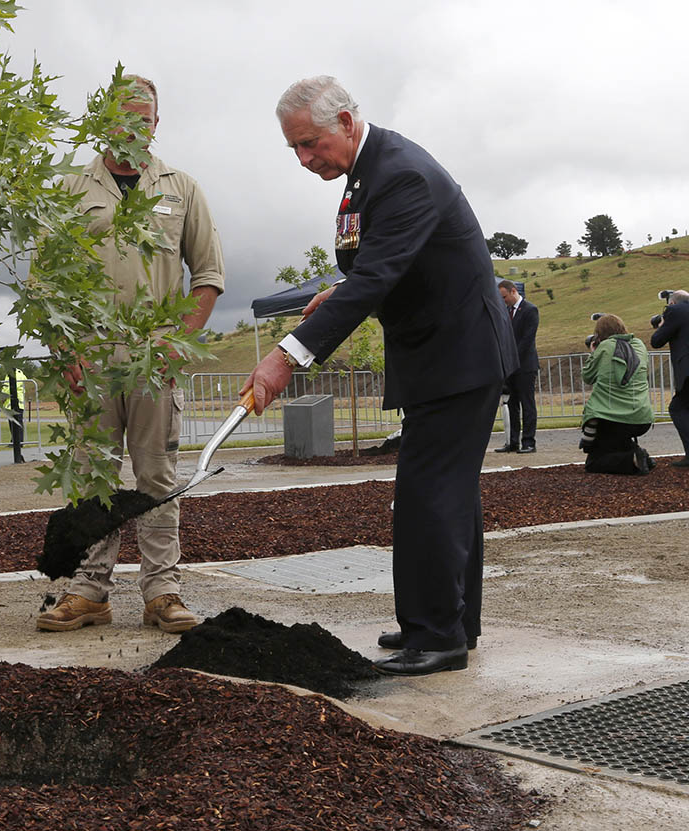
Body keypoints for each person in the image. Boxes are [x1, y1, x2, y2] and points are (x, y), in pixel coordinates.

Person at [241, 76, 517, 676]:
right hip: (440, 356)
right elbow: (374, 264)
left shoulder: (401, 175)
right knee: (449, 496)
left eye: (311, 144)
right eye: (294, 149)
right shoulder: (365, 176)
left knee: (428, 498)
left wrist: (286, 356)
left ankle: (437, 637)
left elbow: (376, 278)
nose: (305, 159)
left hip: (458, 357)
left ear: (344, 120)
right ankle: (451, 621)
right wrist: (336, 288)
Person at [37, 75, 226, 634]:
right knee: (92, 477)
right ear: (103, 122)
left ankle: (162, 591)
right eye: (122, 119)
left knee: (156, 477)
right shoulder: (70, 190)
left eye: (144, 119)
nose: (133, 129)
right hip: (89, 362)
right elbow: (45, 282)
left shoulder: (182, 189)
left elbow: (209, 276)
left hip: (153, 361)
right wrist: (63, 348)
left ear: (157, 123)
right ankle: (89, 591)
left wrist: (177, 342)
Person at [580, 314, 655, 475]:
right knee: (615, 443)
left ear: (600, 334)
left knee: (593, 462)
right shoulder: (639, 345)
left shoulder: (605, 347)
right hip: (642, 417)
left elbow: (588, 376)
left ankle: (633, 460)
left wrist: (593, 352)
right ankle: (642, 457)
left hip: (614, 418)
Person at [495, 280, 539, 454]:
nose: (503, 301)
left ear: (513, 292)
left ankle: (528, 442)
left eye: (505, 297)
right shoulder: (505, 312)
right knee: (512, 405)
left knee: (527, 404)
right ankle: (512, 441)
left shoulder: (530, 310)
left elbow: (527, 340)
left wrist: (512, 358)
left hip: (525, 365)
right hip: (510, 367)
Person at [651, 289, 689, 467]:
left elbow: (657, 341)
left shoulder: (674, 311)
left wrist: (663, 323)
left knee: (677, 408)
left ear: (672, 303)